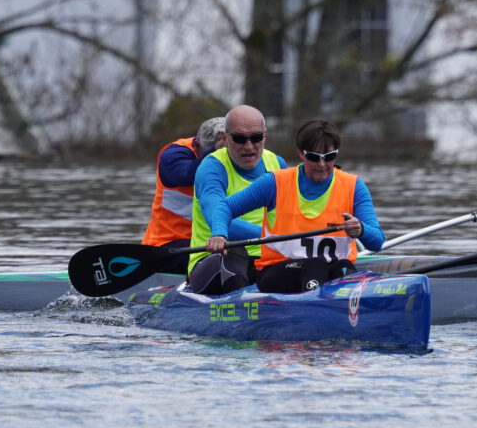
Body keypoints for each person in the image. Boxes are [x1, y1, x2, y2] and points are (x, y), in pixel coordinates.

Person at [205, 118, 384, 293]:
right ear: (301, 153)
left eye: (329, 157)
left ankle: (337, 303)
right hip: (276, 272)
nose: (322, 165)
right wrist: (219, 234)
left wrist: (361, 230)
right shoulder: (274, 183)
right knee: (315, 264)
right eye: (314, 157)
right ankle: (313, 307)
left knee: (343, 266)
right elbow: (225, 208)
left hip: (328, 269)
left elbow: (377, 241)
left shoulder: (354, 186)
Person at [186, 105, 287, 295]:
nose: (248, 146)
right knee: (235, 252)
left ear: (265, 135)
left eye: (256, 138)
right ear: (225, 138)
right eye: (240, 139)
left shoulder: (277, 164)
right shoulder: (212, 168)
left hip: (264, 261)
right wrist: (273, 236)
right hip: (215, 259)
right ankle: (242, 307)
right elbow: (217, 217)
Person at [141, 116, 226, 249]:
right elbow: (188, 174)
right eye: (218, 155)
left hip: (214, 239)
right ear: (196, 145)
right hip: (169, 243)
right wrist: (216, 152)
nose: (223, 159)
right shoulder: (172, 155)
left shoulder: (245, 155)